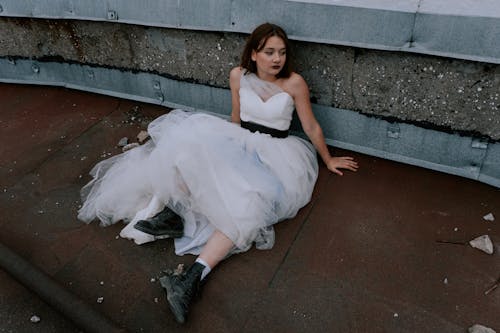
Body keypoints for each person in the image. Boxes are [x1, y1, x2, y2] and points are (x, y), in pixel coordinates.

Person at [77, 23, 358, 324]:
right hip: (240, 139)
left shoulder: (294, 83)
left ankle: (190, 278)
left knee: (248, 206)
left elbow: (311, 126)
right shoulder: (239, 76)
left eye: (282, 52)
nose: (277, 59)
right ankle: (175, 213)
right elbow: (235, 118)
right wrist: (224, 151)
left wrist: (327, 160)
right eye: (269, 52)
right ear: (254, 53)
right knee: (186, 148)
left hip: (276, 154)